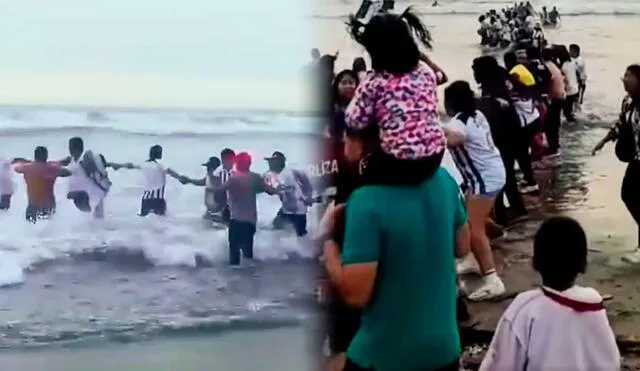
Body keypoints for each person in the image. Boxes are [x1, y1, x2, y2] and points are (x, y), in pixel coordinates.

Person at [322, 128, 471, 371]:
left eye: (348, 135)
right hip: (445, 348)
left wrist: (329, 247)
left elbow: (356, 295)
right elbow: (462, 247)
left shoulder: (366, 200)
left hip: (385, 355)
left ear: (364, 144)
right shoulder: (443, 180)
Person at [479, 217, 620, 371]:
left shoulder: (525, 309)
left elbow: (500, 364)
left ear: (535, 262)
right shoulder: (595, 310)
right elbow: (611, 362)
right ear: (583, 265)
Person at [344, 8, 446, 186]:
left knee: (355, 174)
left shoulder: (373, 83)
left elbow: (353, 120)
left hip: (399, 164)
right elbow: (439, 78)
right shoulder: (425, 71)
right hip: (435, 156)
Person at [443, 80, 507, 301]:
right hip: (495, 171)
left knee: (473, 226)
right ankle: (471, 259)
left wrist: (432, 130)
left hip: (484, 179)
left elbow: (455, 138)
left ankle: (492, 279)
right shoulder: (477, 115)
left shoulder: (459, 122)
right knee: (465, 212)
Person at [592, 65, 640, 263]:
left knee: (632, 196)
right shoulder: (628, 102)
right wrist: (604, 141)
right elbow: (621, 123)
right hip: (637, 159)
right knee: (629, 195)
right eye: (625, 75)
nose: (624, 79)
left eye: (630, 76)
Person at [472, 57, 528, 226]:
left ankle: (503, 217)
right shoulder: (500, 84)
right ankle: (517, 211)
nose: (473, 73)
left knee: (500, 179)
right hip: (513, 135)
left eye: (475, 69)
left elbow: (493, 123)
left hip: (504, 138)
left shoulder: (492, 94)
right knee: (507, 177)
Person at [215, 152, 277, 266]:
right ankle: (250, 277)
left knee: (234, 255)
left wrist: (222, 206)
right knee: (248, 253)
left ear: (237, 163)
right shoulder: (255, 177)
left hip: (236, 221)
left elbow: (219, 191)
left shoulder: (233, 178)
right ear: (249, 163)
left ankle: (237, 278)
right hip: (250, 222)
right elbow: (270, 191)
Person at [111, 145, 186, 217]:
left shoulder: (144, 164)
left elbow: (130, 165)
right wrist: (181, 178)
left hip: (146, 200)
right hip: (157, 199)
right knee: (161, 222)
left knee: (145, 223)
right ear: (159, 154)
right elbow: (170, 171)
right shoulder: (160, 165)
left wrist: (119, 166)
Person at [14, 146, 72, 223]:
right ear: (46, 156)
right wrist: (58, 163)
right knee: (48, 231)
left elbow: (16, 167)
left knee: (30, 231)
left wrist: (28, 162)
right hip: (48, 205)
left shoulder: (26, 168)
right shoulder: (51, 168)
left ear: (35, 156)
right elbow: (67, 172)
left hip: (32, 206)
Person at [58, 137, 112, 219]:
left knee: (91, 221)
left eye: (70, 148)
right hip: (96, 194)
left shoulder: (79, 164)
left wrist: (47, 169)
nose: (69, 150)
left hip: (88, 196)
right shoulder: (85, 158)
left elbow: (63, 173)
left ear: (74, 149)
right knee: (98, 222)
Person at [264, 151, 313, 237]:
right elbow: (271, 191)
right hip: (285, 210)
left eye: (273, 161)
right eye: (269, 161)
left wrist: (308, 197)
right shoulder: (271, 175)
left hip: (299, 212)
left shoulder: (294, 172)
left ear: (281, 162)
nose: (270, 163)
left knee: (301, 236)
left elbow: (307, 184)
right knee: (273, 230)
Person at [181, 156, 226, 222]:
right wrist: (189, 180)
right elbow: (202, 182)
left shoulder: (221, 178)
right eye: (207, 168)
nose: (207, 170)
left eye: (209, 168)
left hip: (218, 210)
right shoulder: (209, 176)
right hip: (210, 209)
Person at [542, 47, 566, 157]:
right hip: (561, 97)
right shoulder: (553, 65)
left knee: (550, 124)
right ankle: (555, 146)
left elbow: (548, 80)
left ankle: (553, 148)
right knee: (554, 124)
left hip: (555, 98)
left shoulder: (546, 67)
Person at [557, 45, 580, 123]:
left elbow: (565, 79)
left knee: (566, 113)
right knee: (569, 111)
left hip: (568, 91)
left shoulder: (563, 65)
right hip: (575, 89)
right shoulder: (572, 61)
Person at [213, 148, 236, 224]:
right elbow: (216, 187)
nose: (224, 162)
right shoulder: (219, 171)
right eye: (223, 159)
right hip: (225, 202)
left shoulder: (238, 171)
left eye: (227, 159)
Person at [570, 44, 587, 108]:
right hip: (577, 84)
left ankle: (578, 114)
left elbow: (575, 69)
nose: (569, 53)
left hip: (580, 84)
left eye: (571, 51)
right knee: (575, 101)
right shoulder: (574, 60)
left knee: (577, 101)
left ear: (576, 52)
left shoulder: (580, 60)